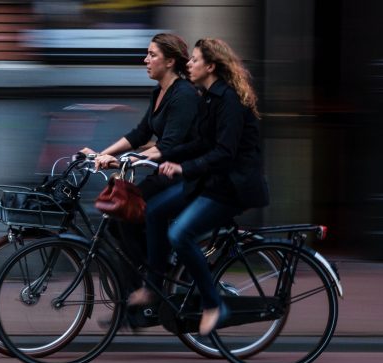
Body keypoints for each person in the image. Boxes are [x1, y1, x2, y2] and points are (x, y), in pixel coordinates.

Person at [128, 38, 270, 336]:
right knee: (153, 211)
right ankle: (154, 286)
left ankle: (213, 304)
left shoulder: (229, 100)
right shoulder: (208, 96)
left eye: (194, 60)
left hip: (231, 187)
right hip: (209, 181)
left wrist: (182, 167)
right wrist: (164, 155)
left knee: (180, 234)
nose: (188, 64)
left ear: (211, 66)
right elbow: (201, 142)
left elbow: (224, 153)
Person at [82, 33, 199, 293]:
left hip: (183, 175)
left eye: (152, 55)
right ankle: (150, 277)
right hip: (162, 173)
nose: (145, 60)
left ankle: (153, 281)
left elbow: (168, 146)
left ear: (169, 62)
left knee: (126, 215)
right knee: (118, 219)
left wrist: (126, 161)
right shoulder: (159, 91)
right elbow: (140, 134)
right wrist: (102, 154)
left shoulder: (184, 95)